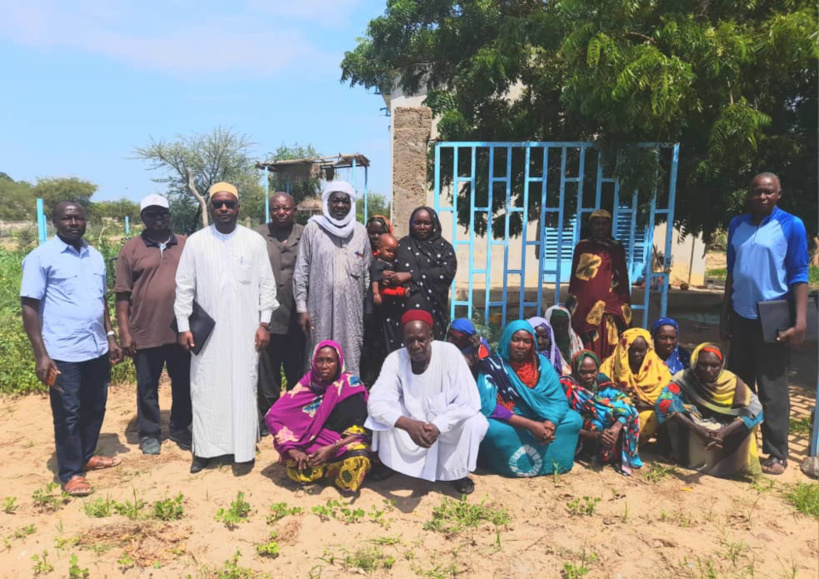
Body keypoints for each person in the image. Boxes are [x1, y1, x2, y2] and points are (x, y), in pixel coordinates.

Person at [20, 201, 124, 496]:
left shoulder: (94, 256)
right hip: (62, 351)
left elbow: (100, 300)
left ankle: (87, 455)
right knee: (68, 412)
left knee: (95, 406)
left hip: (96, 348)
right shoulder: (41, 258)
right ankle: (70, 472)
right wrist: (41, 353)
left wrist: (111, 336)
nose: (74, 222)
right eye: (67, 218)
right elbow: (29, 306)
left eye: (79, 217)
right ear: (54, 221)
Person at [174, 182, 278, 474]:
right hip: (207, 334)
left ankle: (243, 449)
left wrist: (264, 322)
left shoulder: (253, 241)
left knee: (244, 386)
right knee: (205, 387)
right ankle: (205, 451)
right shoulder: (196, 242)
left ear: (237, 207)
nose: (223, 209)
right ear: (211, 206)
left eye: (229, 204)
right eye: (218, 203)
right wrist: (183, 326)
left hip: (246, 330)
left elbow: (266, 286)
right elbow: (184, 286)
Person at [720, 172, 809, 475]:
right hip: (741, 315)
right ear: (749, 194)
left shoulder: (791, 226)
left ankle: (776, 453)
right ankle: (741, 444)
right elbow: (732, 274)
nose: (762, 197)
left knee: (772, 388)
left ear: (778, 194)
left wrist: (800, 323)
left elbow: (798, 275)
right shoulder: (737, 225)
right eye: (757, 192)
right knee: (740, 386)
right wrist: (724, 316)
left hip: (774, 317)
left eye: (768, 192)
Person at [366, 310, 488, 495]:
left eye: (421, 339)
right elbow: (376, 401)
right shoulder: (395, 359)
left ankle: (456, 473)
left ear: (431, 336)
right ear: (403, 340)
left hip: (445, 422)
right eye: (410, 341)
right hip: (409, 424)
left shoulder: (450, 353)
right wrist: (408, 425)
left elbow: (468, 400)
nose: (415, 345)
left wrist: (439, 425)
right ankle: (390, 464)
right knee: (381, 415)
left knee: (475, 422)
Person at [115, 194, 191, 455]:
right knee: (147, 386)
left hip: (180, 331)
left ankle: (181, 428)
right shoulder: (131, 249)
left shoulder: (184, 244)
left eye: (163, 213)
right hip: (144, 331)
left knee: (183, 383)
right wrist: (124, 333)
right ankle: (150, 433)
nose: (159, 219)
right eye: (152, 214)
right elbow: (122, 294)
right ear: (143, 218)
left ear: (170, 215)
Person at [475, 321, 582, 477]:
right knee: (492, 429)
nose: (521, 345)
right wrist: (531, 426)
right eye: (516, 339)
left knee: (575, 419)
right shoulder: (492, 366)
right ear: (506, 340)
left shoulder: (542, 364)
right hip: (511, 420)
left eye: (527, 341)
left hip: (543, 416)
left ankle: (551, 460)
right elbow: (489, 406)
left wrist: (550, 423)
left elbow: (558, 400)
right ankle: (511, 464)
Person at [265, 340, 370, 491]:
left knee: (359, 458)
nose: (324, 366)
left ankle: (329, 471)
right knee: (295, 466)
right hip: (314, 443)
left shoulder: (350, 385)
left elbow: (360, 429)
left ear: (339, 362)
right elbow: (273, 415)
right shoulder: (307, 384)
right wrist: (292, 450)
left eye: (330, 361)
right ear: (314, 362)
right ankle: (330, 471)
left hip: (342, 443)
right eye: (320, 360)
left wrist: (332, 448)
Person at [294, 181, 370, 375]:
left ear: (351, 204)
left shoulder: (360, 231)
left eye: (345, 201)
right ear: (327, 203)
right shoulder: (313, 229)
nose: (340, 206)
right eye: (335, 201)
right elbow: (301, 269)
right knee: (319, 355)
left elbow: (366, 271)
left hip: (351, 311)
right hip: (319, 307)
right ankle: (317, 402)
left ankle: (348, 398)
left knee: (350, 353)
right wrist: (302, 308)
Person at [655, 344, 763, 478]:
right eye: (702, 365)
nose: (708, 370)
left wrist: (723, 433)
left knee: (748, 424)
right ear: (694, 363)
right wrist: (699, 430)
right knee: (671, 411)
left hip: (723, 428)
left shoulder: (732, 382)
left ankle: (732, 467)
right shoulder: (683, 378)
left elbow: (756, 410)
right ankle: (684, 457)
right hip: (693, 425)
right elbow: (663, 403)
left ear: (722, 365)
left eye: (714, 365)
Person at [252, 192, 305, 436]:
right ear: (270, 210)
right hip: (268, 318)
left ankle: (293, 417)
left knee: (296, 372)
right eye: (276, 208)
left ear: (294, 210)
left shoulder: (305, 235)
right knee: (268, 373)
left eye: (286, 208)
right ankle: (269, 418)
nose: (281, 212)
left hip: (297, 316)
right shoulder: (258, 236)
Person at [381, 207, 457, 350]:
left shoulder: (444, 248)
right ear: (411, 224)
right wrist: (385, 276)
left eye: (426, 223)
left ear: (434, 224)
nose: (422, 227)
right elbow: (387, 266)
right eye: (417, 223)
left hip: (433, 313)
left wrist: (410, 275)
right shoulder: (401, 245)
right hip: (401, 314)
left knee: (432, 354)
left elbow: (446, 273)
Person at [560, 350, 642, 475]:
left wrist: (615, 428)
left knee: (625, 410)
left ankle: (610, 452)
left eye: (593, 371)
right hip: (580, 425)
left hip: (603, 421)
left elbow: (625, 402)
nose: (589, 376)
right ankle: (590, 453)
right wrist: (595, 435)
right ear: (575, 370)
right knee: (596, 425)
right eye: (583, 372)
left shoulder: (601, 380)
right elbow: (563, 419)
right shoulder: (567, 385)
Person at [566, 210, 632, 359]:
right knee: (588, 343)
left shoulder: (617, 247)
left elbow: (622, 278)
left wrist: (622, 304)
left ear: (609, 226)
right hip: (586, 307)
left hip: (612, 307)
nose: (601, 227)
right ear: (591, 226)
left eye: (604, 224)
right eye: (597, 224)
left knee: (611, 344)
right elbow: (577, 280)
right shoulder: (582, 247)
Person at [600, 329, 671, 442]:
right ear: (623, 349)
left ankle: (629, 444)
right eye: (631, 350)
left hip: (643, 412)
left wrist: (644, 404)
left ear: (647, 350)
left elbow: (666, 403)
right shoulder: (610, 366)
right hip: (614, 412)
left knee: (650, 417)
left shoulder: (660, 370)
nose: (636, 354)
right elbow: (598, 393)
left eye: (640, 351)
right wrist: (617, 392)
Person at [370, 234, 409, 307]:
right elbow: (374, 280)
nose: (391, 254)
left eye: (394, 252)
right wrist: (376, 293)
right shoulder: (378, 264)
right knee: (390, 291)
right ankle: (402, 292)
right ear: (379, 249)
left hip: (390, 285)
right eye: (388, 251)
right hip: (381, 289)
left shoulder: (391, 261)